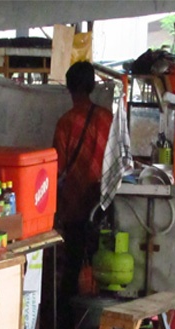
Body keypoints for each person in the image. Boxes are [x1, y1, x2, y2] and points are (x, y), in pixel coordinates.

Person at [53, 61, 113, 311]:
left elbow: (57, 166)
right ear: (92, 86)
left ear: (69, 88)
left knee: (73, 265)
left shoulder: (65, 123)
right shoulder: (107, 118)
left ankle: (69, 325)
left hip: (75, 205)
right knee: (107, 264)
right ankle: (103, 319)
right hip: (105, 205)